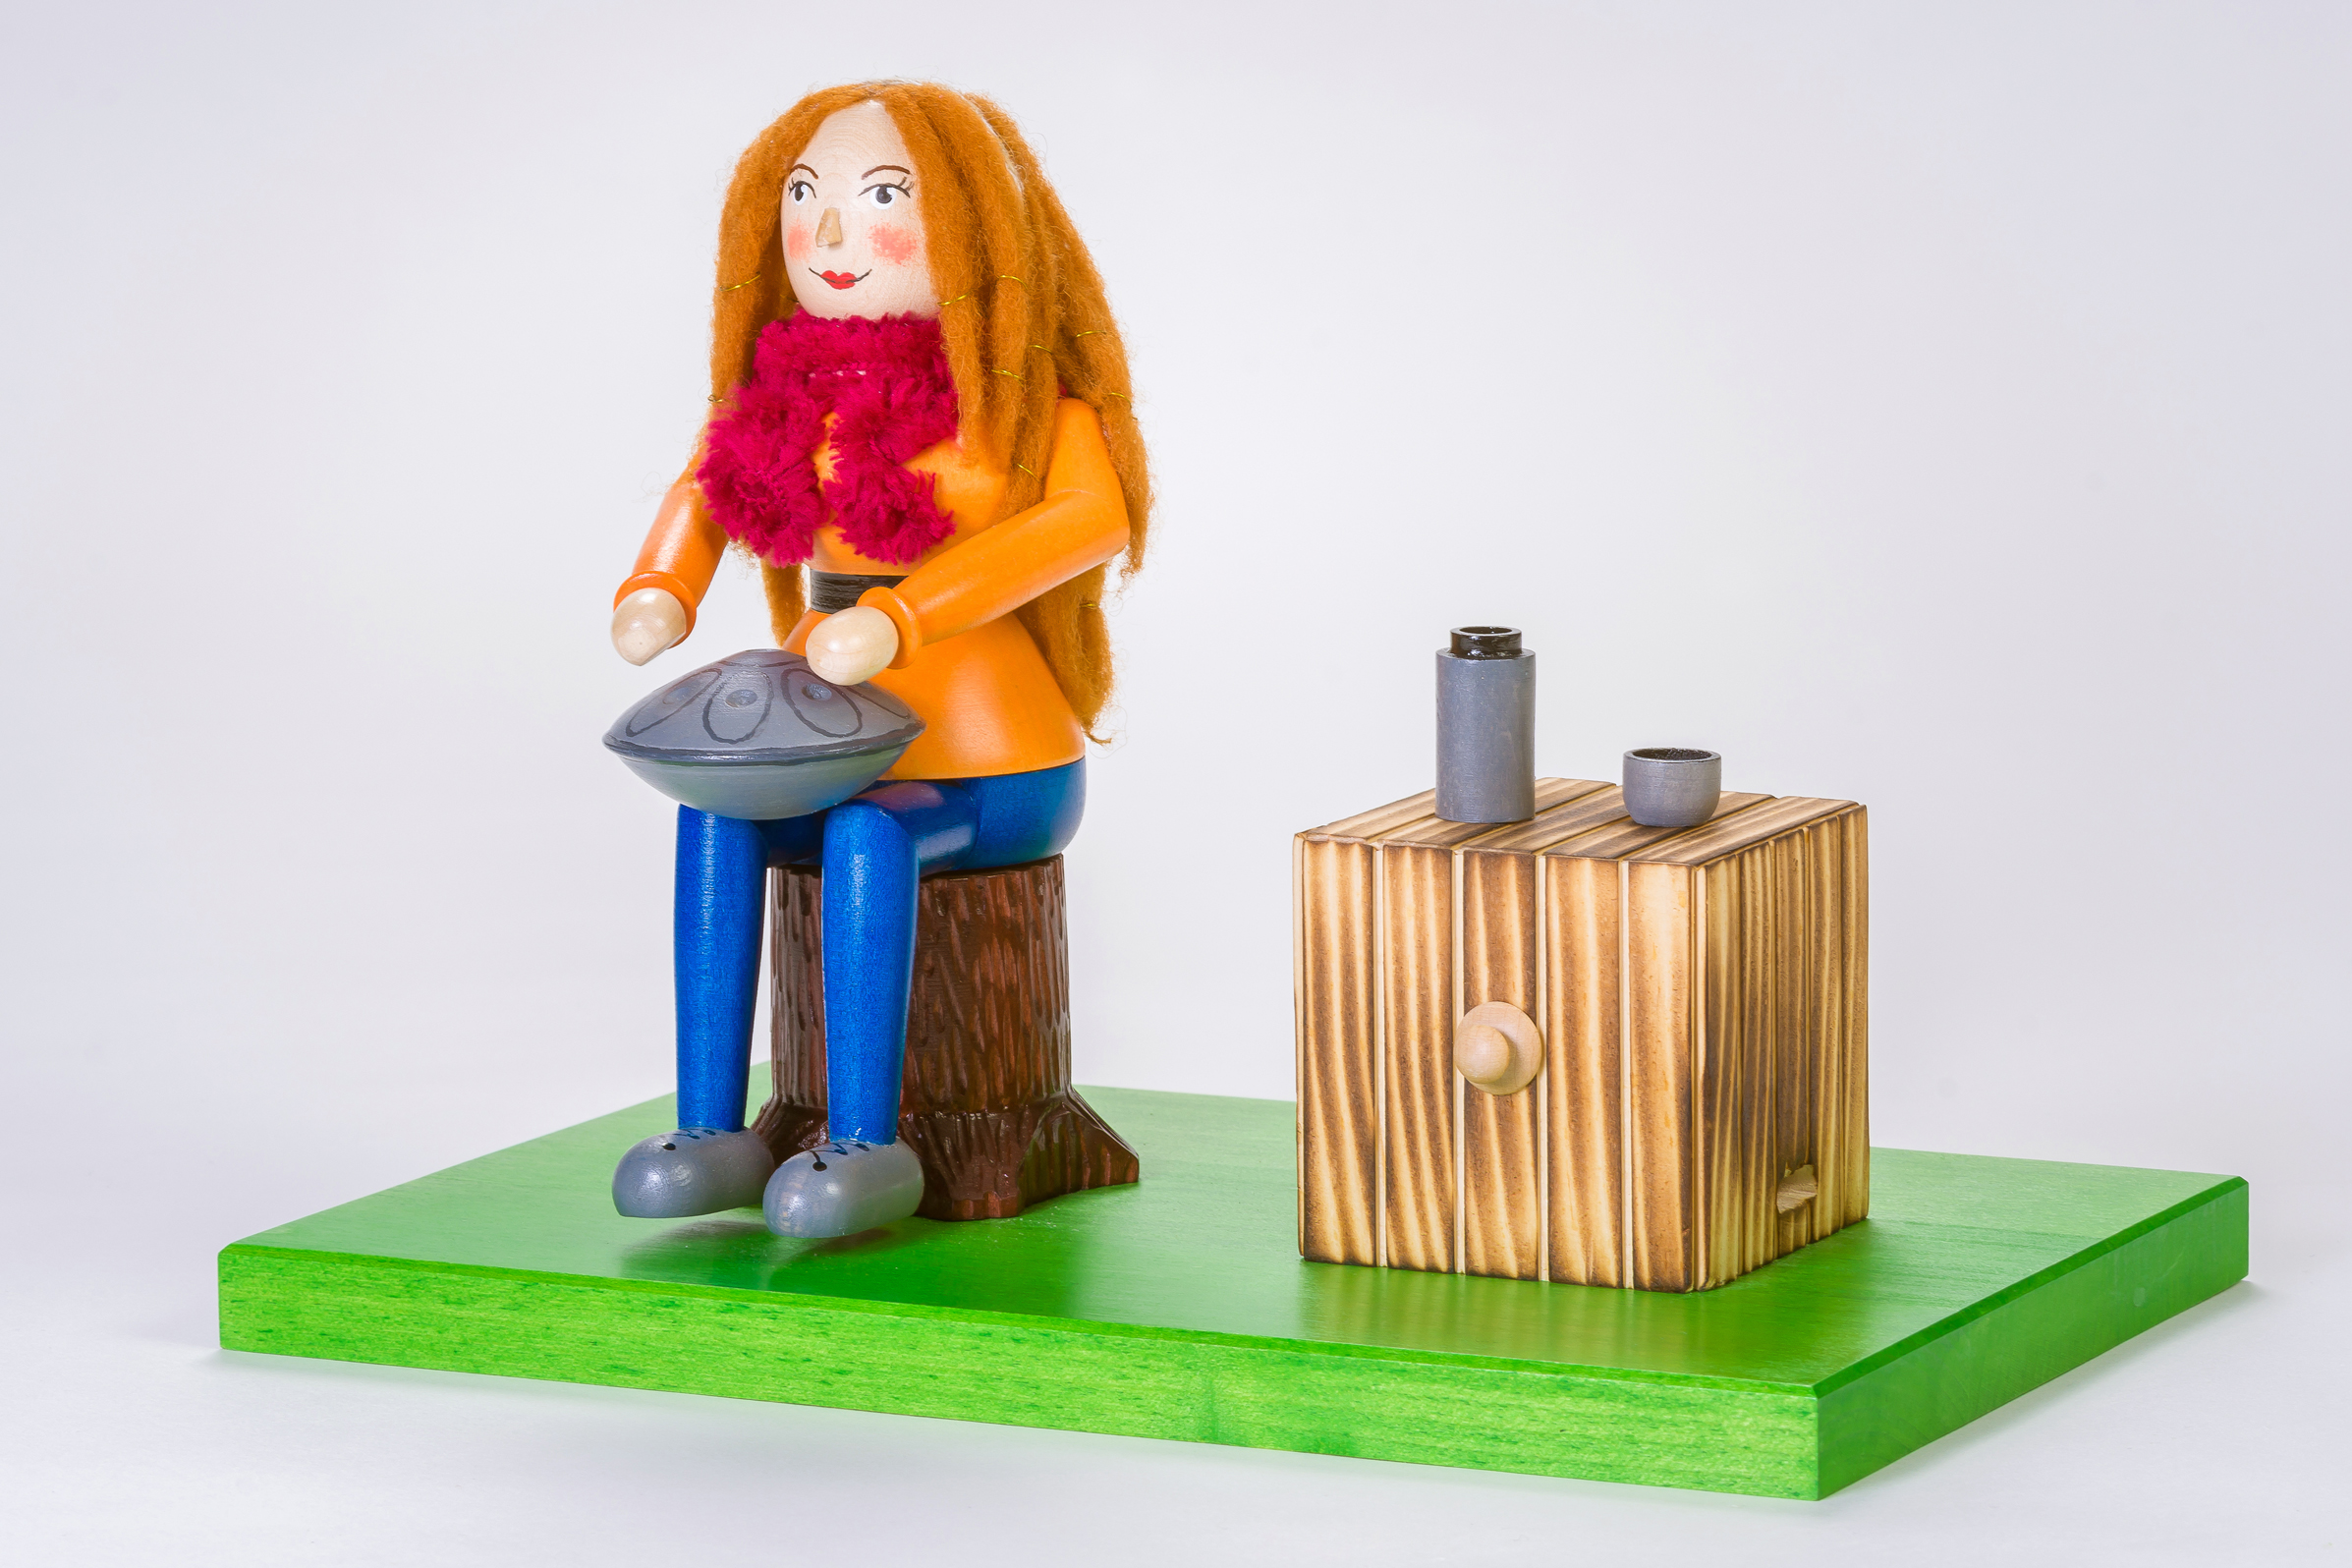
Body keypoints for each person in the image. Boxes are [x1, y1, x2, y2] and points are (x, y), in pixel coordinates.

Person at [604, 84, 1150, 1238]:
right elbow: (703, 488)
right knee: (715, 819)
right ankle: (709, 1126)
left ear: (971, 230)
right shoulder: (789, 399)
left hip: (994, 766)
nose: (830, 232)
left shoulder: (1023, 406)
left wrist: (907, 615)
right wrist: (658, 587)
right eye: (806, 195)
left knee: (870, 835)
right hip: (829, 736)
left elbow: (1087, 521)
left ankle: (865, 1142)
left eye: (882, 196)